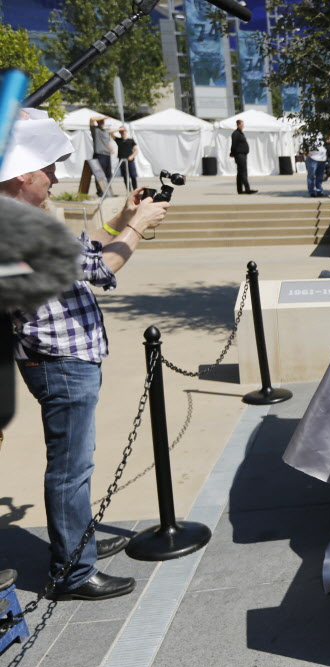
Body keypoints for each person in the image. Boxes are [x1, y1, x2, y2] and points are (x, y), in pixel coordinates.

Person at [1, 116, 169, 600]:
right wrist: (137, 226)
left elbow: (83, 252)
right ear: (21, 176)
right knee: (70, 468)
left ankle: (79, 543)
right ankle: (73, 572)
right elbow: (102, 266)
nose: (55, 176)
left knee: (75, 464)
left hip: (60, 358)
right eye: (47, 169)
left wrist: (120, 217)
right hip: (58, 360)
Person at [88, 116, 114, 196]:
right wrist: (103, 117)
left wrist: (111, 149)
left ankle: (108, 191)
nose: (102, 123)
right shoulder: (95, 130)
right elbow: (91, 119)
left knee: (108, 174)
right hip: (99, 155)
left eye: (103, 122)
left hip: (107, 155)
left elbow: (107, 141)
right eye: (100, 122)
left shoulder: (105, 131)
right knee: (99, 174)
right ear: (98, 122)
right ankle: (100, 192)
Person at [230, 119, 257, 194]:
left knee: (240, 173)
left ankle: (240, 190)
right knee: (243, 172)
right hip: (239, 155)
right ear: (238, 125)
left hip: (243, 155)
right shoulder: (236, 134)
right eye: (242, 125)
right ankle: (247, 189)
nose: (243, 126)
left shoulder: (240, 133)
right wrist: (232, 153)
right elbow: (234, 144)